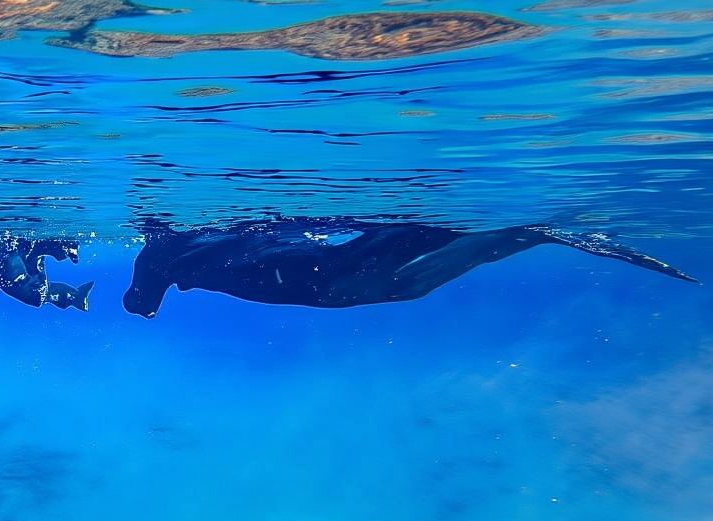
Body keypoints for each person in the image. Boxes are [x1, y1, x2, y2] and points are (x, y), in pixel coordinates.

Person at [122, 218, 696, 318]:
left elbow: (139, 303)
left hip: (325, 283)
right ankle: (541, 233)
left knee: (404, 285)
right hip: (325, 267)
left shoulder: (161, 252)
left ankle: (538, 234)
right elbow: (140, 301)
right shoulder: (193, 240)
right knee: (412, 256)